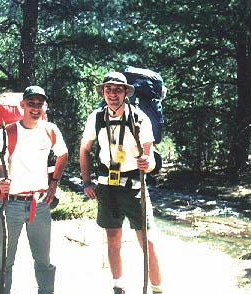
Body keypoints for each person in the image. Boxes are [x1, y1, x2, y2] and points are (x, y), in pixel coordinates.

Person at [79, 72, 163, 294]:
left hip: (135, 186)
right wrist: (87, 181)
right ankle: (119, 287)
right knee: (113, 239)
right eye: (108, 89)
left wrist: (148, 164)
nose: (112, 94)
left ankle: (157, 289)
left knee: (148, 242)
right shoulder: (96, 118)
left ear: (126, 92)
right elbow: (84, 149)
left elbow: (151, 158)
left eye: (117, 89)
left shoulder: (139, 118)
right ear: (103, 92)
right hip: (106, 186)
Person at [0, 86, 68, 294]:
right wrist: (0, 182)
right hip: (10, 204)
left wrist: (54, 183)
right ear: (22, 105)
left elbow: (63, 154)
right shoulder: (6, 133)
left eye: (39, 104)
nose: (35, 108)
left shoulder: (50, 130)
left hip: (40, 205)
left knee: (43, 261)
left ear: (45, 106)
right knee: (4, 262)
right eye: (31, 103)